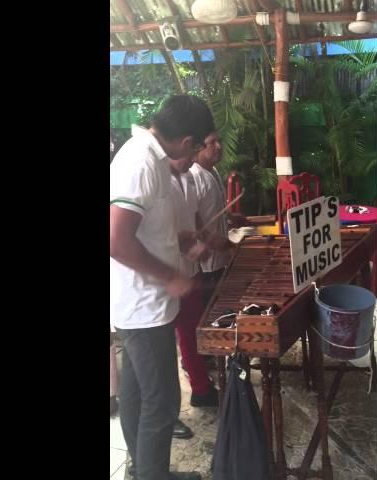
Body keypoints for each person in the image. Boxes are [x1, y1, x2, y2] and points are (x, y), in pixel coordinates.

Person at [110, 95, 215, 480]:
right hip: (144, 305)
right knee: (163, 403)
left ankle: (143, 470)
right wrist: (170, 275)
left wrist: (179, 237)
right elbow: (116, 240)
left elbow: (145, 226)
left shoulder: (148, 155)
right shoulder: (140, 163)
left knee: (137, 397)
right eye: (201, 144)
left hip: (141, 303)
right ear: (187, 142)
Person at [168, 153, 220, 409]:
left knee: (192, 331)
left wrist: (209, 240)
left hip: (190, 270)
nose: (191, 158)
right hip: (165, 276)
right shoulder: (156, 179)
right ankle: (174, 409)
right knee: (169, 344)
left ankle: (201, 389)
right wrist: (184, 244)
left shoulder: (189, 175)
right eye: (189, 150)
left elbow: (196, 217)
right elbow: (153, 232)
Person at [189, 132, 244, 308]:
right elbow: (190, 217)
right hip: (205, 266)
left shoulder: (213, 170)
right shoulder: (193, 176)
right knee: (208, 315)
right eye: (212, 142)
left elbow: (213, 208)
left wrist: (229, 217)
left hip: (220, 259)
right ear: (198, 147)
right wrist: (213, 241)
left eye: (219, 141)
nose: (219, 146)